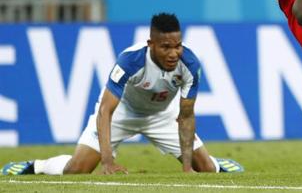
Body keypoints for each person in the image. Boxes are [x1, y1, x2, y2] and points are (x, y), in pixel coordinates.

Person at [2, 13, 243, 175]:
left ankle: (217, 164)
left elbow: (187, 116)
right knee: (77, 170)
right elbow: (106, 110)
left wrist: (188, 166)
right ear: (151, 44)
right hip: (121, 113)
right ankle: (37, 166)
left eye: (177, 45)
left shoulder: (189, 65)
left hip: (162, 116)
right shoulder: (131, 60)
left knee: (206, 170)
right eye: (166, 47)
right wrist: (107, 159)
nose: (173, 53)